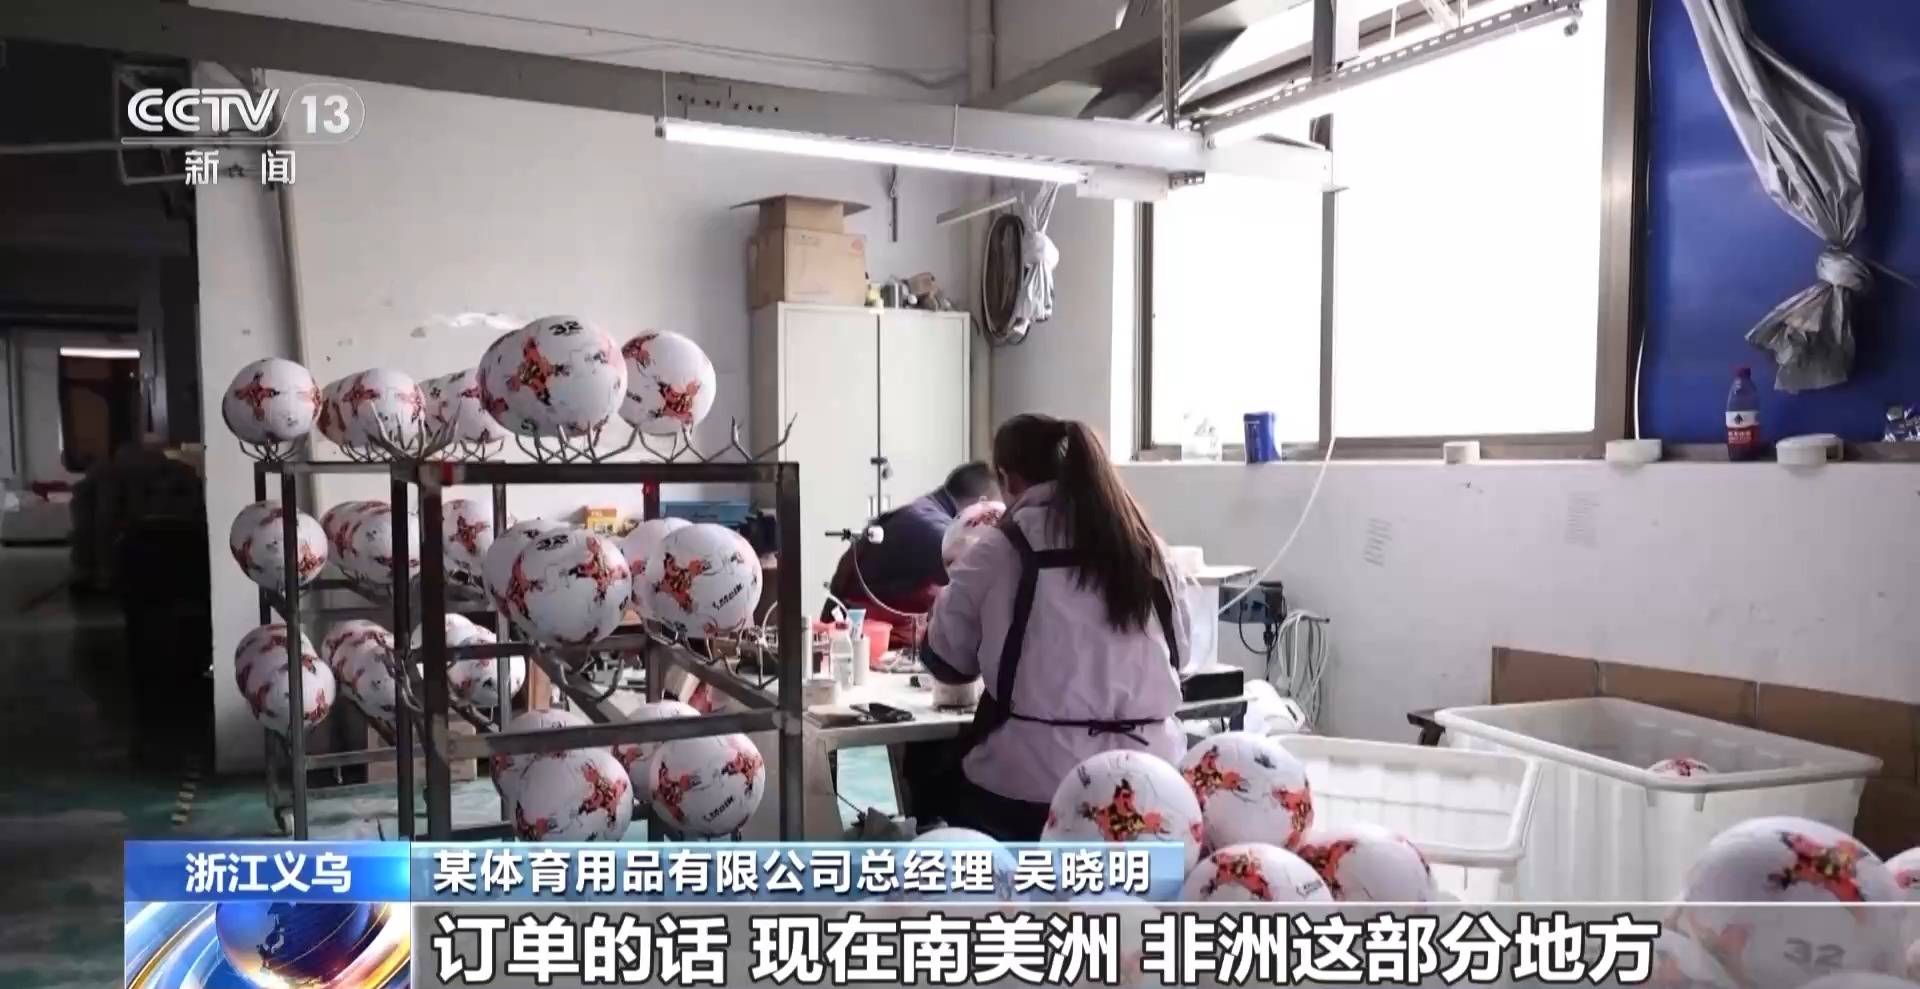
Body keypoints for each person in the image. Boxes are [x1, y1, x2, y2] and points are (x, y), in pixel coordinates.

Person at [910, 414, 1194, 840]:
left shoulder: (999, 548)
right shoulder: (1148, 546)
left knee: (929, 775)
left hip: (1034, 790)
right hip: (1154, 784)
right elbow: (1183, 658)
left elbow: (947, 662)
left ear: (1007, 478)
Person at [824, 461, 997, 648]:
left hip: (870, 639)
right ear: (983, 504)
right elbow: (980, 586)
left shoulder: (924, 514)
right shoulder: (932, 528)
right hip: (854, 643)